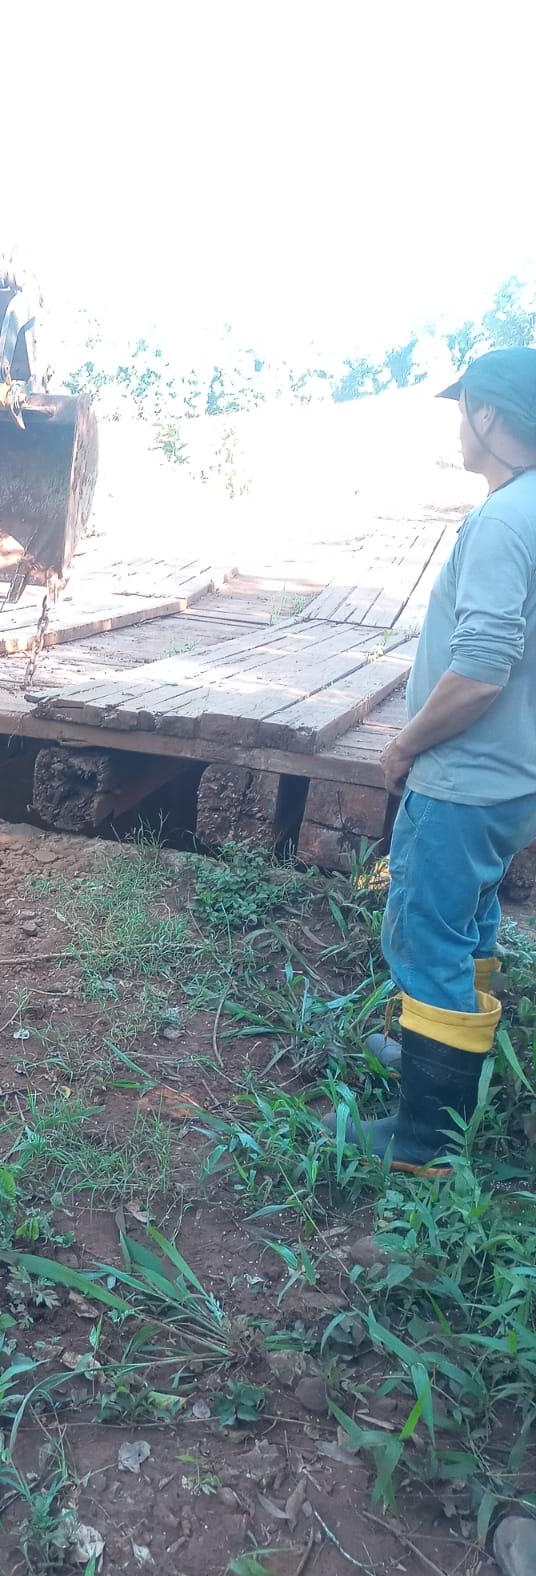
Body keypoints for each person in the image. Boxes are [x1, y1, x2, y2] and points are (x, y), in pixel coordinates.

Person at [339, 346, 536, 1176]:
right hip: (512, 779)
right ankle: (446, 1062)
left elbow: (484, 666)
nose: (458, 425)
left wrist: (405, 741)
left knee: (425, 932)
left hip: (464, 778)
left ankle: (425, 1135)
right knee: (470, 924)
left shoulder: (500, 520)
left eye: (463, 410)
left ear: (488, 416)